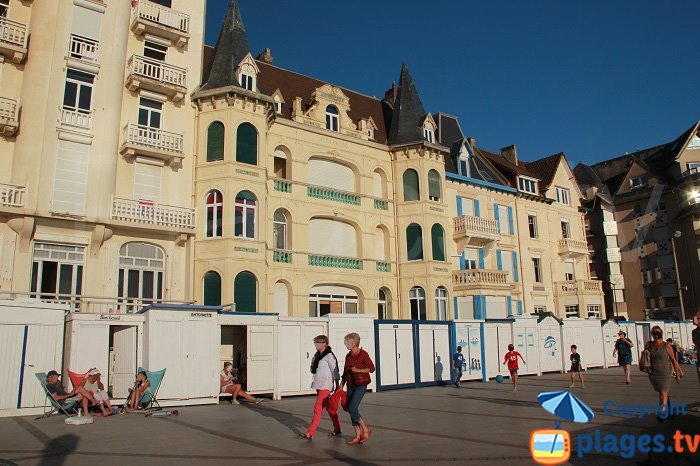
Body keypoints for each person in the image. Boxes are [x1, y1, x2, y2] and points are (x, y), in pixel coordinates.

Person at [299, 335, 342, 440]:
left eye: (318, 342)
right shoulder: (317, 355)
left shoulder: (329, 356)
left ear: (324, 343)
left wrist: (337, 385)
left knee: (317, 408)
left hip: (326, 385)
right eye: (315, 342)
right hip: (319, 384)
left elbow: (335, 371)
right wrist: (312, 362)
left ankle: (310, 433)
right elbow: (313, 371)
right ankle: (338, 428)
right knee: (329, 408)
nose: (316, 344)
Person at [341, 332, 375, 445]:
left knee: (352, 408)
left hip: (361, 384)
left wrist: (359, 370)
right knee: (351, 410)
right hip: (350, 385)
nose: (345, 344)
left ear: (354, 343)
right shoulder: (348, 355)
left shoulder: (363, 354)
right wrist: (341, 384)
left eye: (347, 342)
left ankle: (365, 430)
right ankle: (357, 435)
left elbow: (372, 368)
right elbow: (345, 372)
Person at [645, 326, 683, 421]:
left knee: (663, 393)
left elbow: (674, 360)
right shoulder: (649, 345)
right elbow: (645, 356)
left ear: (661, 334)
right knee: (662, 393)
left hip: (665, 373)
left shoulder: (667, 346)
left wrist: (677, 374)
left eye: (658, 333)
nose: (656, 335)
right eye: (654, 333)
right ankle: (669, 413)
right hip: (654, 373)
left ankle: (662, 413)